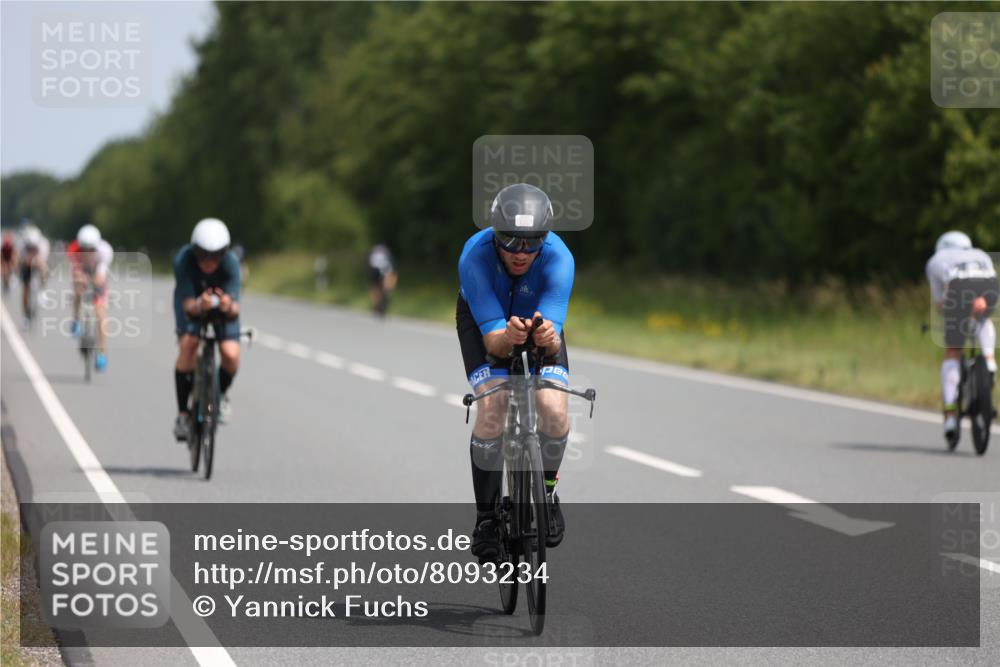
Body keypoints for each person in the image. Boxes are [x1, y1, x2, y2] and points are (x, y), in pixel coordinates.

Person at [457, 183, 575, 562]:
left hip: (537, 323)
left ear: (545, 237)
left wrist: (547, 337)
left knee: (554, 411)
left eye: (531, 242)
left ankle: (548, 492)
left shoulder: (559, 258)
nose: (520, 252)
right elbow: (494, 344)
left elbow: (552, 342)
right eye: (509, 240)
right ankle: (487, 518)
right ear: (494, 233)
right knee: (494, 408)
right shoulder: (474, 257)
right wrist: (507, 338)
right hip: (485, 326)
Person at [172, 218, 242, 441]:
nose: (209, 261)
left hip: (222, 309)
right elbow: (186, 303)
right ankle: (183, 414)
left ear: (224, 253)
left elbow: (235, 309)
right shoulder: (183, 261)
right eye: (203, 255)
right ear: (194, 251)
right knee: (188, 345)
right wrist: (198, 304)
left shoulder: (231, 264)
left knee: (231, 353)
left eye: (215, 255)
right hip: (193, 305)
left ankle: (220, 394)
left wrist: (227, 305)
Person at [926, 230, 998, 441]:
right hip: (990, 286)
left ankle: (949, 415)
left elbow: (941, 302)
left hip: (958, 289)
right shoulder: (981, 253)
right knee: (983, 319)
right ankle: (990, 361)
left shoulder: (936, 260)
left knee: (953, 352)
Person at [68, 224, 114, 372]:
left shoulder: (105, 251)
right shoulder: (74, 250)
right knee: (78, 289)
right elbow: (76, 274)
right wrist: (81, 281)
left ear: (97, 247)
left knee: (101, 313)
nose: (87, 253)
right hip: (82, 271)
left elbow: (101, 277)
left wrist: (94, 283)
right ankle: (75, 320)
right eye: (84, 250)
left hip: (97, 272)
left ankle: (102, 353)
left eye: (91, 250)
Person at [18, 225, 48, 325]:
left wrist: (36, 263)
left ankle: (42, 290)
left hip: (38, 261)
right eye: (29, 247)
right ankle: (24, 316)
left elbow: (42, 261)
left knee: (44, 268)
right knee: (25, 289)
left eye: (33, 247)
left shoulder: (43, 244)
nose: (31, 249)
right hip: (27, 264)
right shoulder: (23, 245)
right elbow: (21, 261)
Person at [368, 243, 397, 317]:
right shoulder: (387, 255)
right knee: (381, 288)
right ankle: (378, 304)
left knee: (376, 288)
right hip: (380, 271)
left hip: (376, 270)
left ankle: (377, 305)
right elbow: (391, 273)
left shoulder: (375, 253)